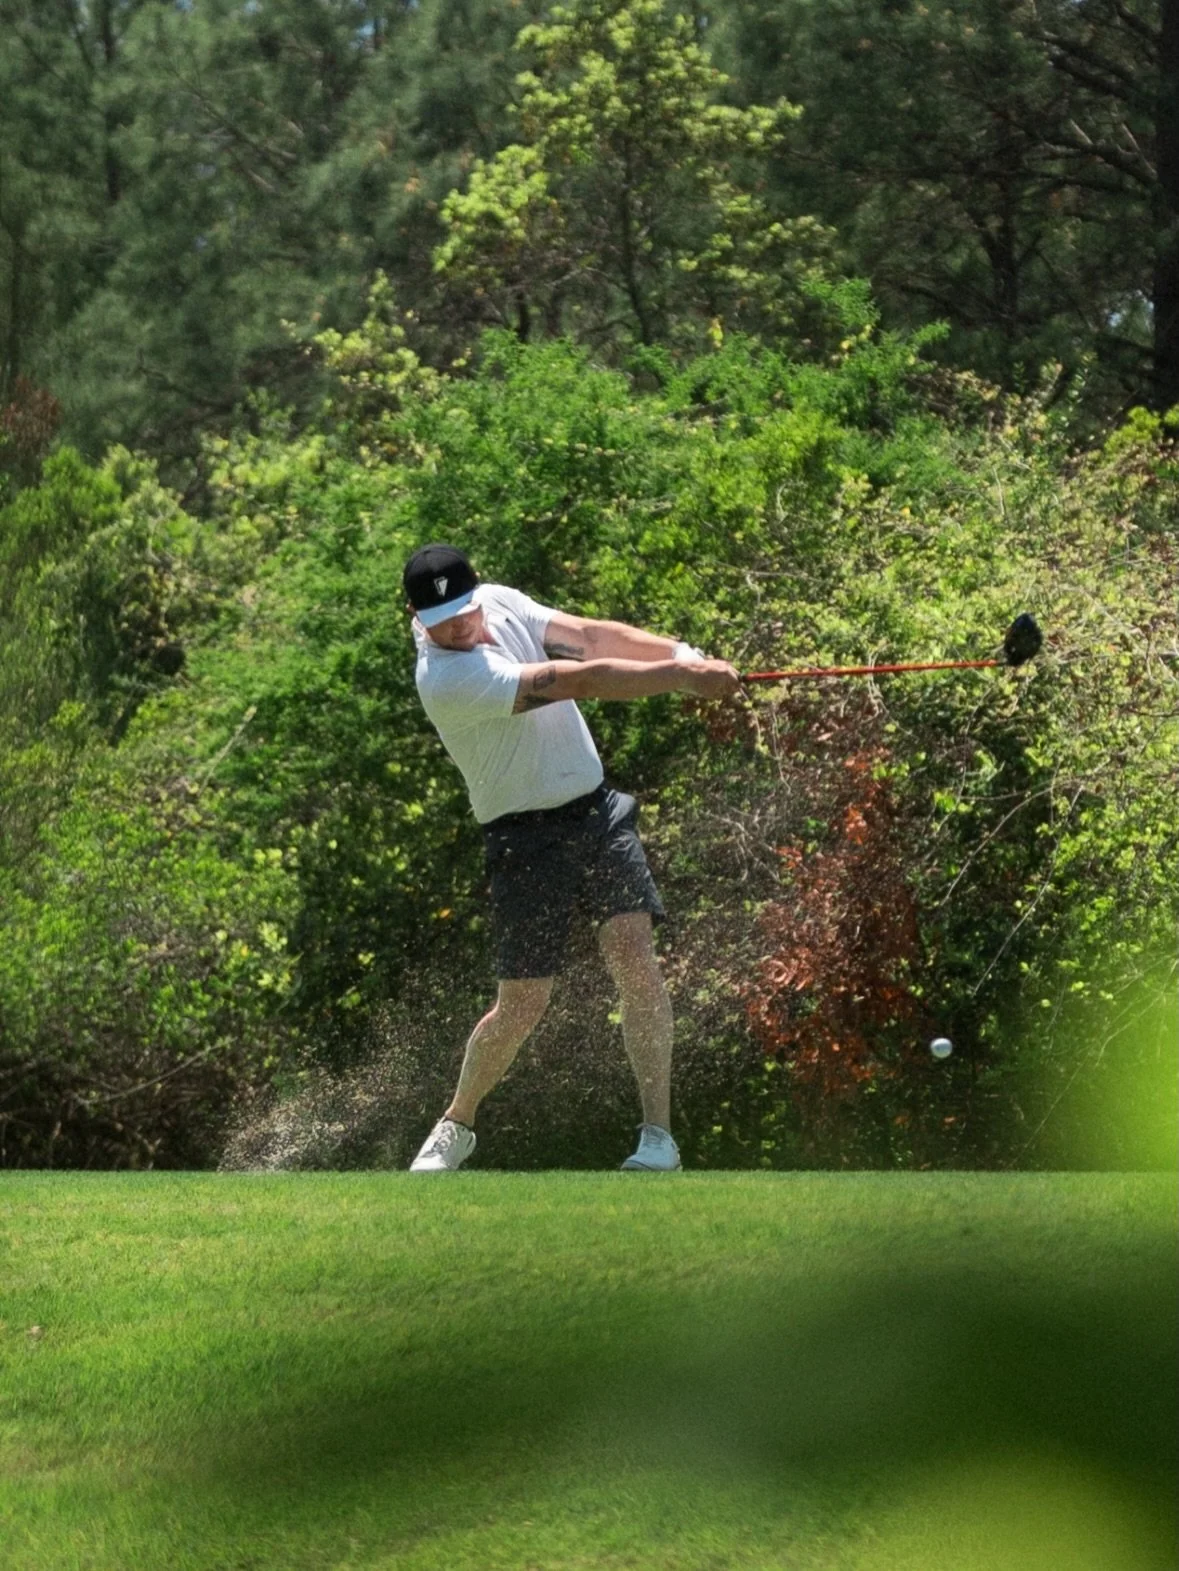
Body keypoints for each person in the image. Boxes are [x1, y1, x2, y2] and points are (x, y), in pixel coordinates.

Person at [403, 543, 740, 1173]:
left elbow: (584, 638)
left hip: (594, 812)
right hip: (521, 838)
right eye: (445, 618)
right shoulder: (446, 679)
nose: (463, 625)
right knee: (523, 1003)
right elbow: (574, 679)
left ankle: (658, 1138)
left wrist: (677, 653)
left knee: (634, 957)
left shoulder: (498, 602)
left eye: (466, 609)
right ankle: (458, 1122)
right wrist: (683, 680)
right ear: (418, 619)